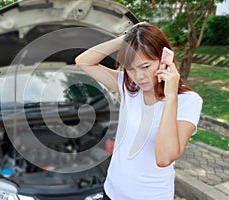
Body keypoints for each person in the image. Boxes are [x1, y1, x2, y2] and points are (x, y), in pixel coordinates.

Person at [75, 22, 203, 200]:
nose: (139, 76)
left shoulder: (187, 101)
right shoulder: (130, 88)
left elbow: (164, 158)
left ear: (164, 58)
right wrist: (125, 39)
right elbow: (83, 61)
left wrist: (170, 95)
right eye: (130, 69)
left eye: (145, 66)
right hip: (112, 191)